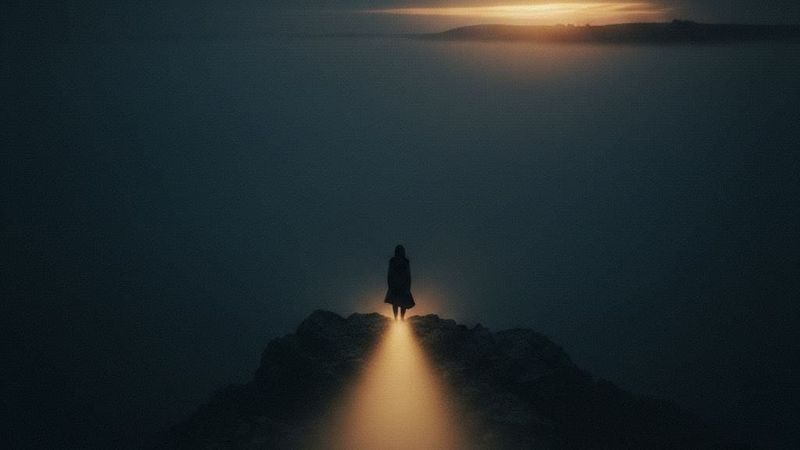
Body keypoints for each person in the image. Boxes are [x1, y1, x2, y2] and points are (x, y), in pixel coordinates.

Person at [384, 244, 415, 320]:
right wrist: (391, 285)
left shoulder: (405, 261)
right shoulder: (393, 261)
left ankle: (401, 318)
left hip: (402, 286)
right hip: (395, 286)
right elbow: (390, 274)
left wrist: (407, 287)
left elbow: (408, 275)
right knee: (396, 303)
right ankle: (396, 318)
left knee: (402, 303)